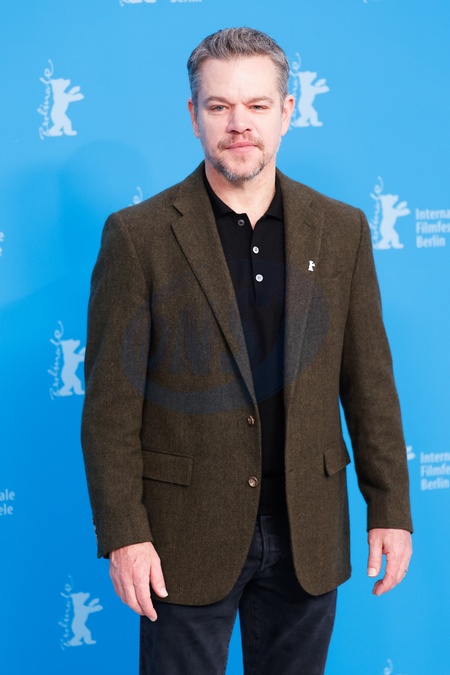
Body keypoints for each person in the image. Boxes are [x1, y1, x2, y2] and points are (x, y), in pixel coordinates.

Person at [81, 27, 413, 675]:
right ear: (194, 116)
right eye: (219, 106)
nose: (240, 124)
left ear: (287, 112)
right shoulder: (139, 237)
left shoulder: (342, 229)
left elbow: (369, 382)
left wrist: (391, 509)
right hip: (182, 536)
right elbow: (110, 411)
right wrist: (125, 534)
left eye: (257, 105)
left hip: (308, 530)